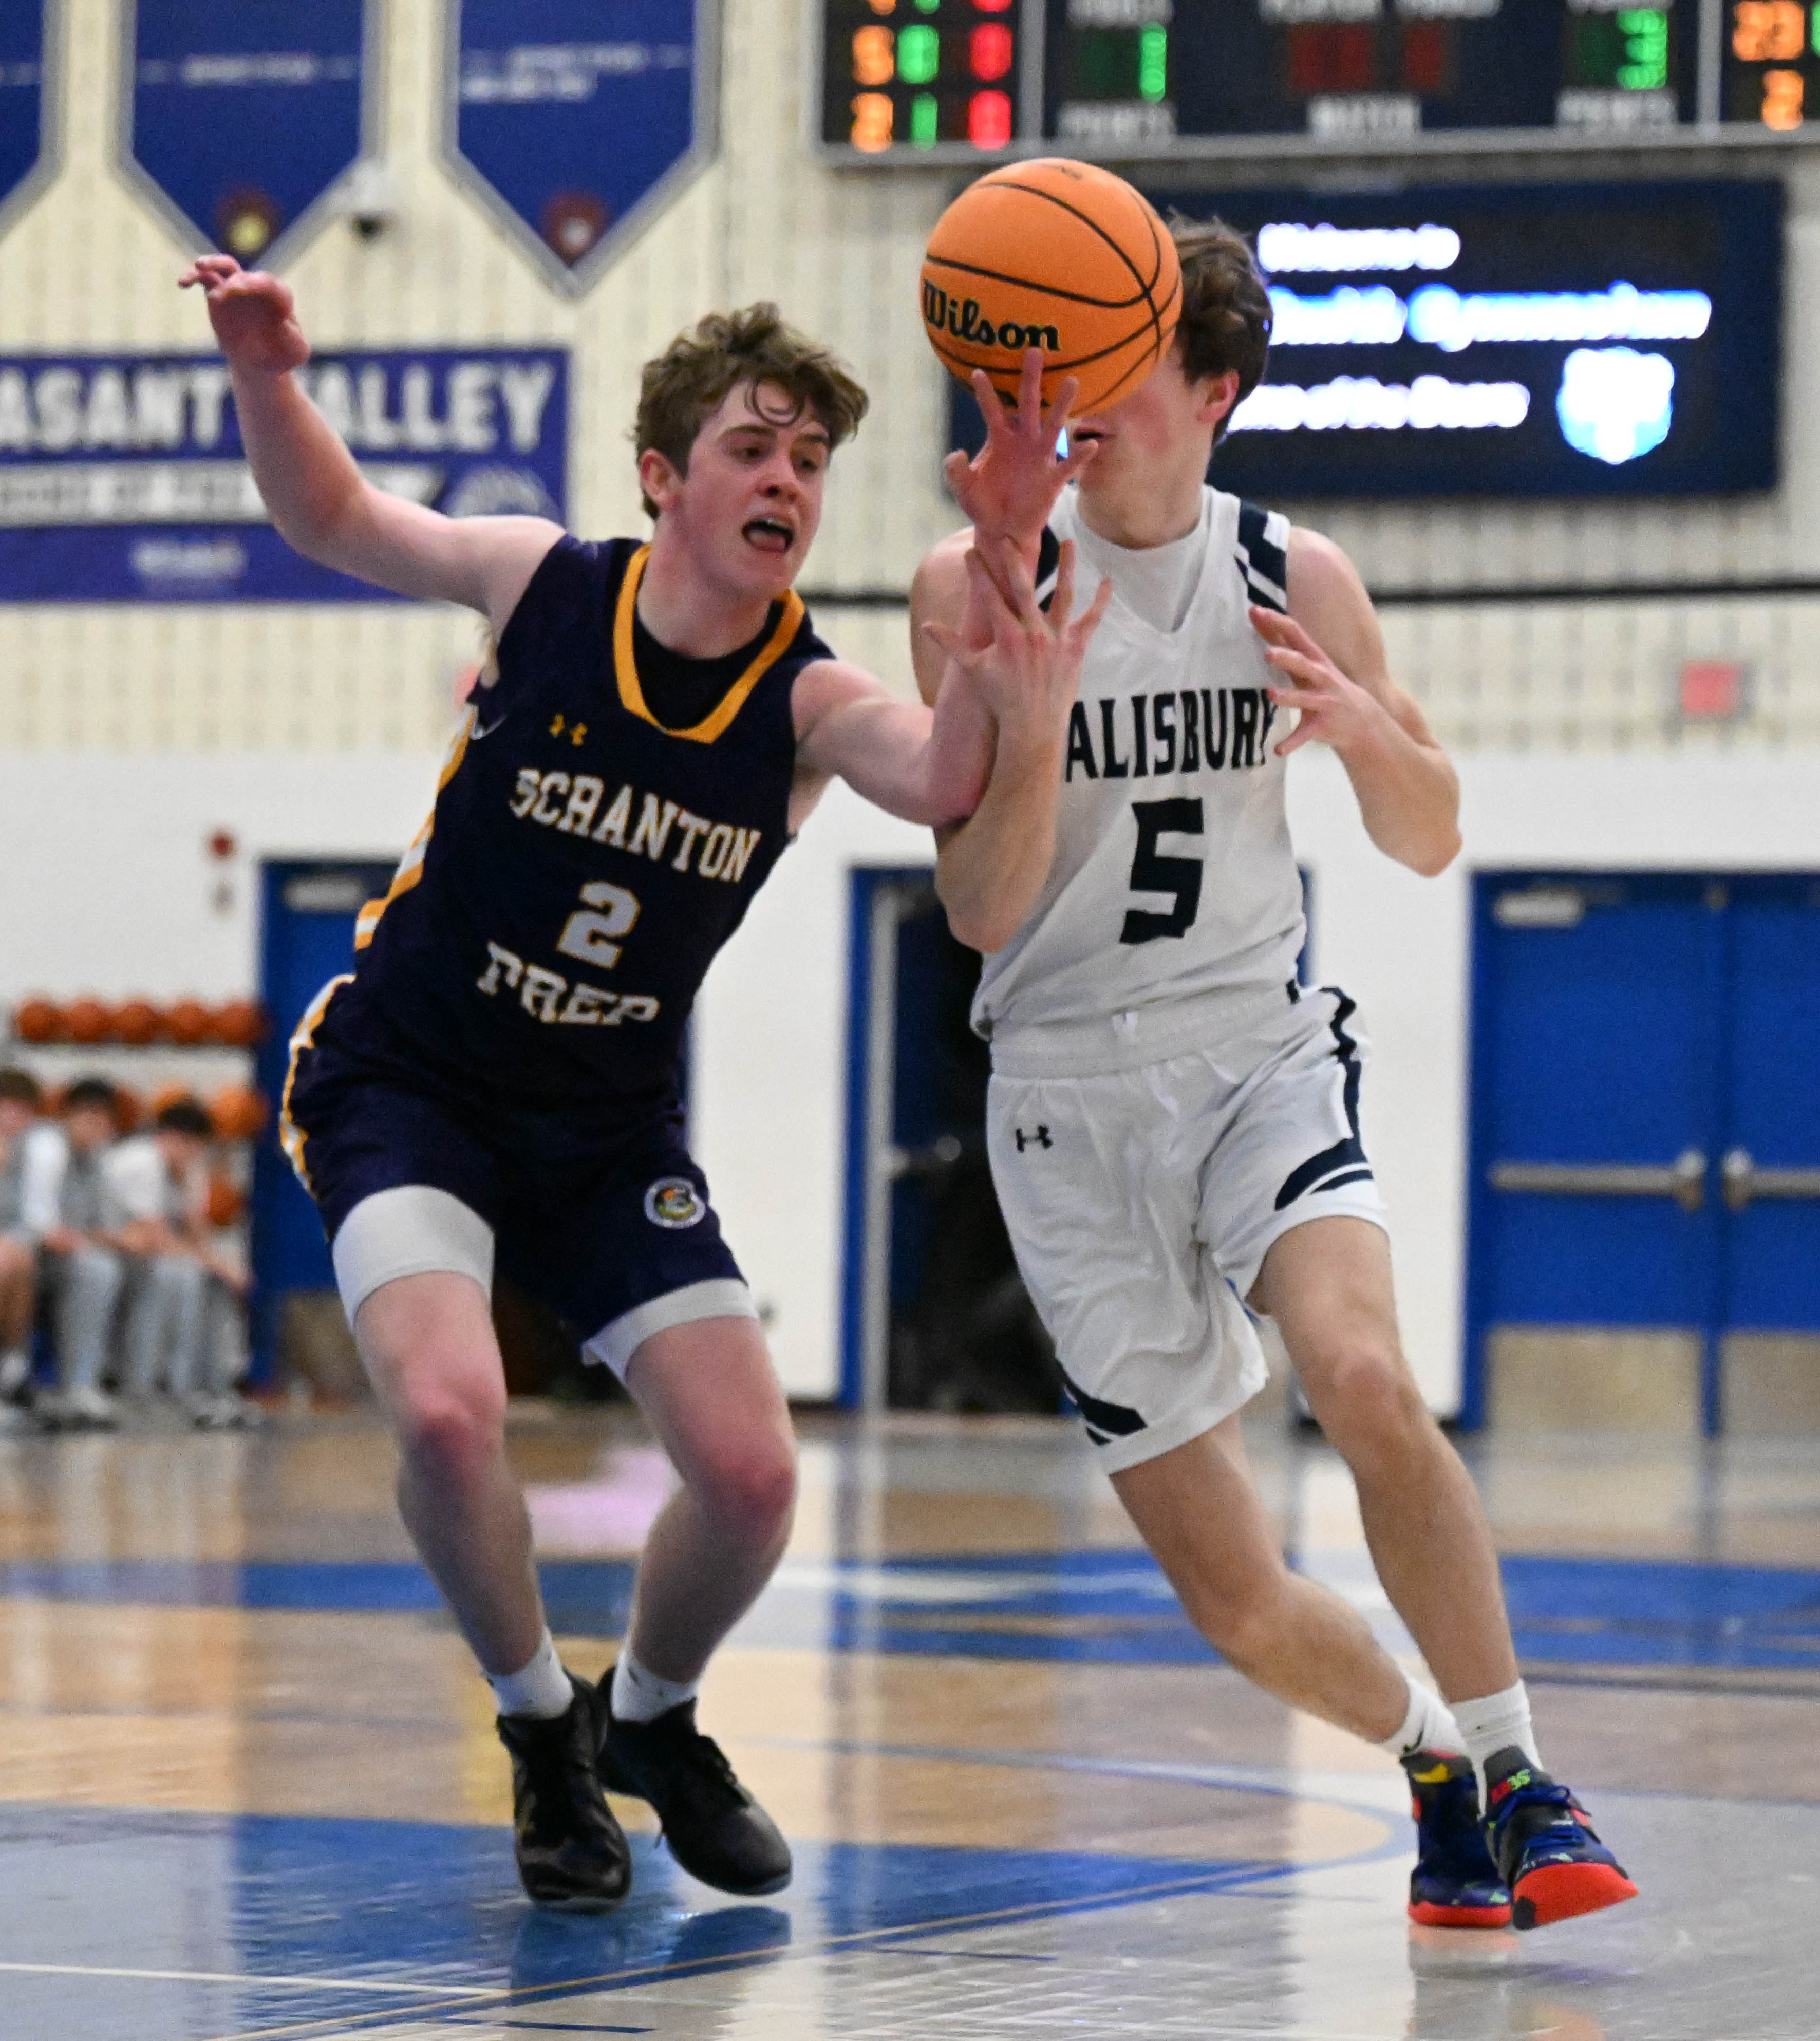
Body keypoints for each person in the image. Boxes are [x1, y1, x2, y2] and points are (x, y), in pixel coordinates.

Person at [182, 254, 1105, 1913]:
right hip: (410, 1082)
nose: (788, 482)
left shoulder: (808, 697)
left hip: (603, 1126)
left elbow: (952, 773)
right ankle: (541, 1730)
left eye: (814, 461)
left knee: (753, 1475)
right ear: (664, 476)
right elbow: (331, 518)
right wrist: (265, 371)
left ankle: (653, 1721)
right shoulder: (545, 582)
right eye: (756, 447)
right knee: (454, 1411)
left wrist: (1012, 557)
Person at [909, 219, 1636, 1934]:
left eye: (1115, 363)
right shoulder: (976, 580)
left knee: (1368, 1377)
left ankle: (1523, 1770)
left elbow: (1431, 835)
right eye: (1054, 367)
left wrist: (1374, 736)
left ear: (1212, 388)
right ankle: (1430, 1768)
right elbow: (978, 907)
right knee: (1232, 1592)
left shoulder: (1289, 575)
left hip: (1252, 1049)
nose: (1072, 398)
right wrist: (1025, 693)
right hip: (1060, 1088)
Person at [105, 1097, 255, 1428]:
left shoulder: (191, 1168)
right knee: (180, 1276)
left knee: (213, 1284)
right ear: (167, 1137)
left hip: (152, 1255)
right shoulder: (141, 1161)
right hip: (113, 1250)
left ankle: (215, 1385)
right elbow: (154, 1234)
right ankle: (150, 1385)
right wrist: (217, 1265)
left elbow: (196, 1230)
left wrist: (222, 1267)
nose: (192, 1153)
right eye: (186, 1144)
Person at [36, 1078, 126, 1431]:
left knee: (155, 1270)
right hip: (33, 1253)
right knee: (97, 1269)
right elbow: (39, 1221)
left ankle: (141, 1386)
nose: (96, 1127)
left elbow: (100, 1225)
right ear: (67, 1116)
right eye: (88, 1117)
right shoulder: (46, 1148)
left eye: (104, 1120)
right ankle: (78, 1384)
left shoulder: (97, 1162)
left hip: (68, 1254)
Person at [0, 1068, 62, 1416]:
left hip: (20, 1245)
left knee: (13, 1257)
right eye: (6, 1107)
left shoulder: (42, 1147)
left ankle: (13, 1364)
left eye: (22, 1109)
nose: (13, 1117)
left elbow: (40, 1216)